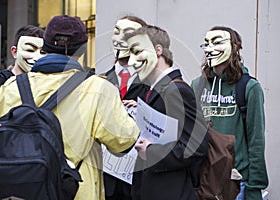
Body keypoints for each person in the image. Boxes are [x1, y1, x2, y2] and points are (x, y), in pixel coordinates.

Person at [0, 15, 139, 200]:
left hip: (17, 192)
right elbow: (122, 141)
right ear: (82, 49)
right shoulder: (98, 89)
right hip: (74, 192)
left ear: (45, 46)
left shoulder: (12, 86)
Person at [123, 25, 209, 200]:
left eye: (137, 52)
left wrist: (151, 151)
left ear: (158, 51)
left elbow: (195, 146)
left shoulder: (176, 90)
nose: (131, 62)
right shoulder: (158, 89)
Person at [191, 26, 268, 199]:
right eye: (206, 43)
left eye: (217, 42)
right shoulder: (197, 85)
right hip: (204, 180)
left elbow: (256, 141)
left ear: (234, 47)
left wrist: (254, 187)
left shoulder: (249, 88)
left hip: (236, 181)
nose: (210, 48)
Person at [103, 15, 149, 200]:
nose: (120, 38)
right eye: (116, 32)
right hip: (106, 179)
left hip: (138, 178)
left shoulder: (155, 84)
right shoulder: (98, 81)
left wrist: (145, 109)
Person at [0, 25, 45, 124]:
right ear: (14, 52)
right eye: (29, 50)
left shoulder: (46, 85)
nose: (36, 57)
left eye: (42, 52)